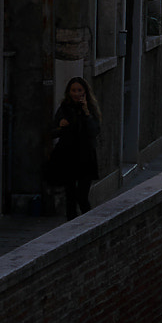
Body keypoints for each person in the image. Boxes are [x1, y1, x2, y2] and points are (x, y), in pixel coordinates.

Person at [47, 77, 100, 219]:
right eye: (73, 90)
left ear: (85, 92)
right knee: (70, 196)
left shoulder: (90, 109)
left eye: (79, 90)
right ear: (69, 92)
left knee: (82, 196)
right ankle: (71, 224)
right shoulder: (64, 109)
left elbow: (94, 131)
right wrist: (60, 126)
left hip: (86, 157)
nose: (76, 94)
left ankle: (89, 224)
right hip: (68, 156)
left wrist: (87, 113)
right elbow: (52, 133)